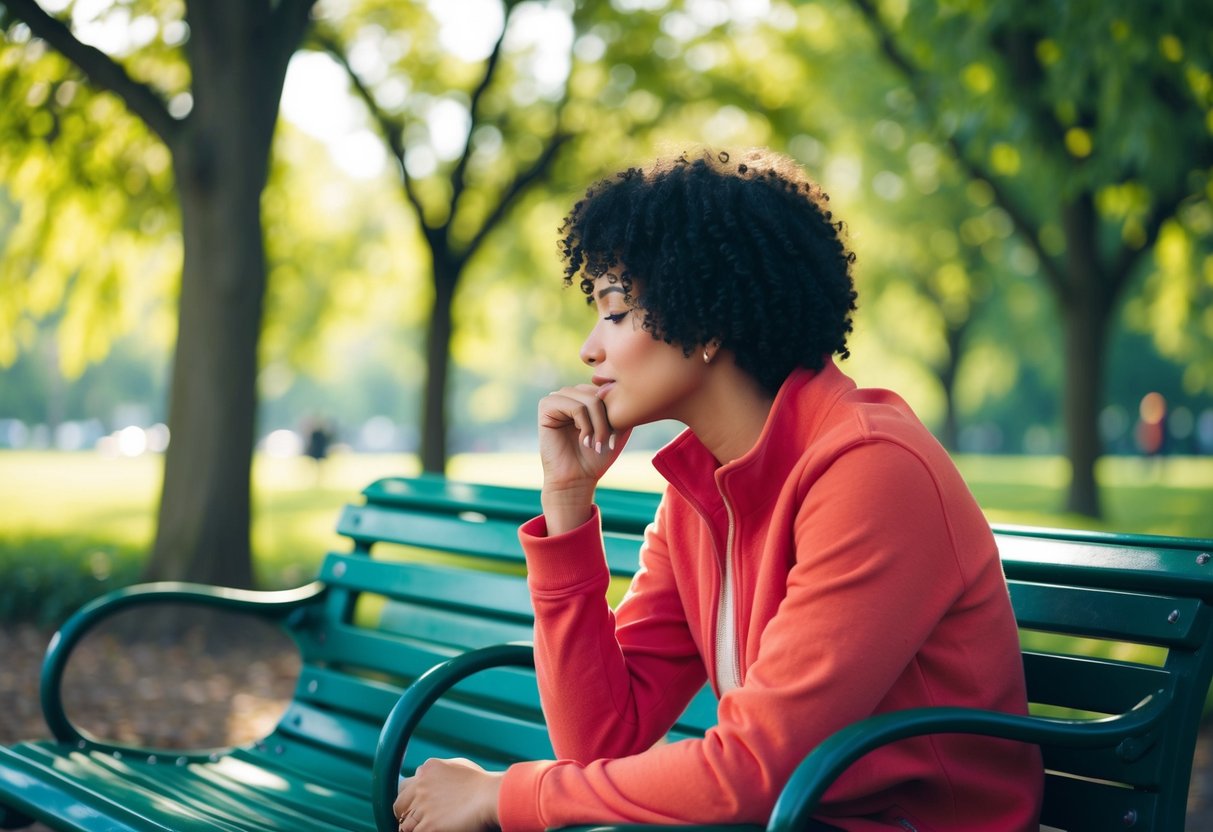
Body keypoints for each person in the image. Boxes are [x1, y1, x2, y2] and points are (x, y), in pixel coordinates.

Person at [393, 148, 1044, 831]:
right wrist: (566, 507)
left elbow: (753, 771)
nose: (589, 348)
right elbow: (599, 741)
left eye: (614, 311)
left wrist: (506, 797)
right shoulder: (699, 492)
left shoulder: (870, 469)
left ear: (702, 320)